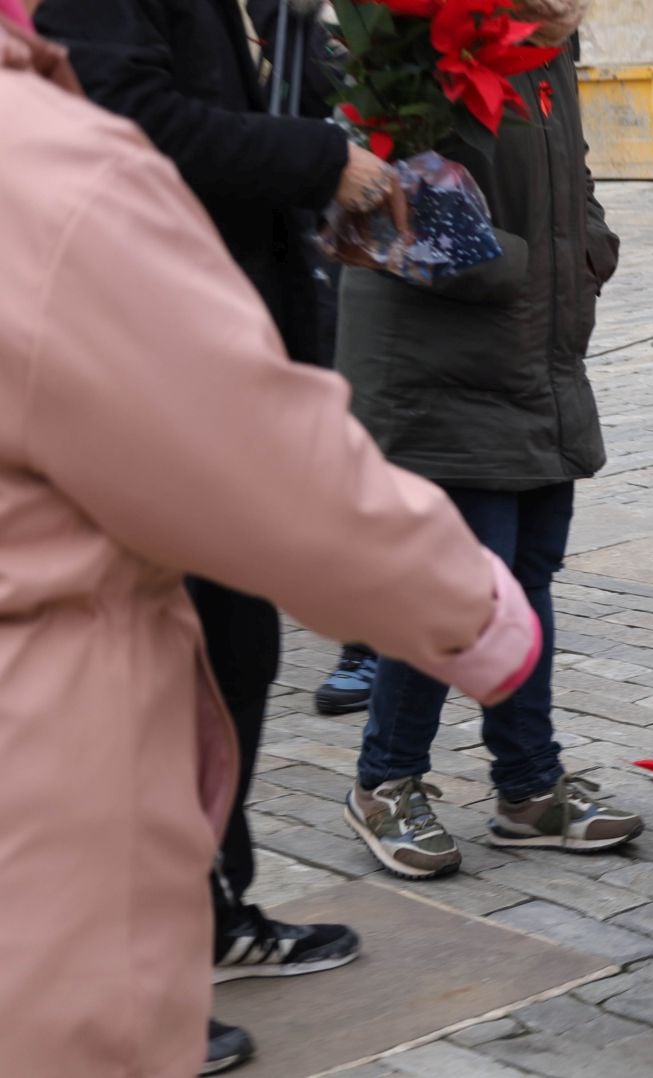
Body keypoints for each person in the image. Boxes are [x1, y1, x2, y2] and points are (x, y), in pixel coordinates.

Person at [0, 21, 544, 1075]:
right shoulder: (44, 161)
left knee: (235, 658)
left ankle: (215, 911)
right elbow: (258, 461)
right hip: (47, 730)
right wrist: (479, 616)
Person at [29, 0, 392, 1066]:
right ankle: (118, 980)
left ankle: (214, 910)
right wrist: (318, 157)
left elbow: (256, 107)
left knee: (235, 656)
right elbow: (127, 116)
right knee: (151, 685)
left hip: (226, 367)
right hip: (142, 370)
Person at [338, 1, 643, 881]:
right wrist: (515, 262)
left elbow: (569, 166)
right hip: (437, 365)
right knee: (458, 589)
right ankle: (385, 779)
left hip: (534, 354)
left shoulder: (548, 41)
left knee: (528, 575)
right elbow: (382, 186)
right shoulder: (415, 28)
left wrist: (586, 244)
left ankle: (528, 786)